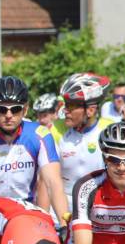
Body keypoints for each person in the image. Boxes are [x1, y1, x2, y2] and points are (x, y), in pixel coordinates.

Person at [0, 76, 68, 220]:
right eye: (2, 109)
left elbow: (53, 183)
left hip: (28, 210)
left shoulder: (40, 135)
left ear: (25, 110)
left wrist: (64, 223)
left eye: (15, 109)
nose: (8, 115)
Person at [45, 73, 114, 224]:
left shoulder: (109, 130)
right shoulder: (55, 129)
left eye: (71, 106)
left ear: (90, 110)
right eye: (65, 105)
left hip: (100, 205)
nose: (65, 111)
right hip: (62, 207)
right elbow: (46, 179)